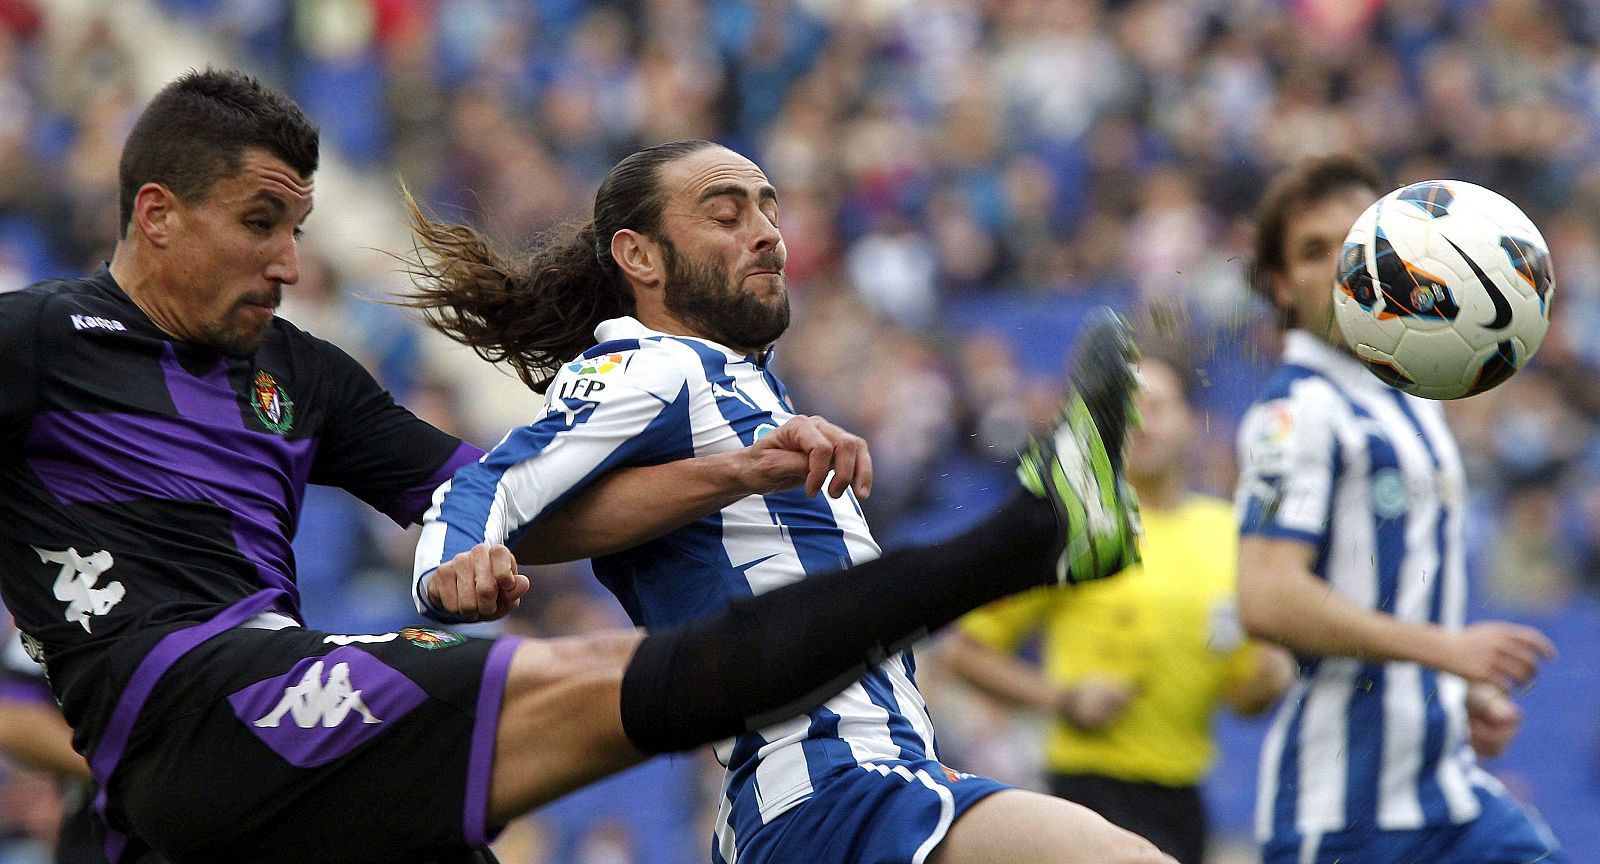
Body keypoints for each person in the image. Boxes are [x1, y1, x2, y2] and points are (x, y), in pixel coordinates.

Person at [0, 70, 1156, 864]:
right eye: (262, 223)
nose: (291, 262)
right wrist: (453, 560)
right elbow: (478, 508)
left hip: (235, 758)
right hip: (197, 696)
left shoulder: (302, 375)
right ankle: (1024, 539)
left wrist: (733, 474)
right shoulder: (42, 341)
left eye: (299, 226)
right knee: (609, 674)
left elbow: (532, 506)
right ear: (156, 214)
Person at [404, 137, 1161, 864]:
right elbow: (491, 482)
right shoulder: (654, 363)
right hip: (829, 783)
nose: (767, 235)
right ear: (639, 255)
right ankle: (1049, 522)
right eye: (727, 215)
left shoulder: (741, 391)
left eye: (770, 211)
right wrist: (447, 569)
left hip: (828, 790)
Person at [1236, 154, 1565, 864]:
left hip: (1448, 792)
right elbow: (1266, 597)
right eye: (1312, 252)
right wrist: (1448, 651)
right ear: (1279, 286)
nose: (1339, 266)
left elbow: (1392, 588)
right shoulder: (1296, 411)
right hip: (1344, 815)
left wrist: (1451, 688)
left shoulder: (1410, 397)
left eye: (1354, 244)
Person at [943, 349, 1296, 864]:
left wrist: (1265, 680)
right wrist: (1062, 700)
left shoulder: (1228, 534)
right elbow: (966, 653)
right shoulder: (1078, 527)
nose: (1140, 421)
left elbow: (1244, 695)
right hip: (1088, 790)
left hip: (1184, 794)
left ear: (1192, 423)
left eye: (1157, 407)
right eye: (1124, 408)